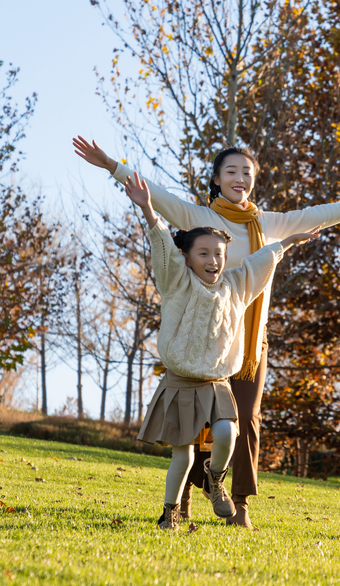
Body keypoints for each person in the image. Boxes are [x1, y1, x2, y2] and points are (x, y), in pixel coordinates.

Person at [73, 136, 340, 528]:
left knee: (245, 421)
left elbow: (316, 214)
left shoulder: (269, 223)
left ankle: (237, 504)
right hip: (199, 340)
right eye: (232, 171)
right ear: (217, 178)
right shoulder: (199, 219)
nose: (240, 178)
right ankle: (182, 501)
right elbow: (153, 196)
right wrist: (110, 164)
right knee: (196, 423)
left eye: (247, 173)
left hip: (247, 342)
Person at [121, 170, 318, 531]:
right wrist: (149, 210)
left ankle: (215, 481)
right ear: (189, 257)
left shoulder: (235, 286)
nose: (213, 261)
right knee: (182, 456)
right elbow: (162, 244)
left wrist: (288, 242)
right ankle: (170, 515)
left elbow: (261, 262)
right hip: (182, 382)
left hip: (217, 382)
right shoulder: (177, 282)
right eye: (204, 254)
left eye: (219, 254)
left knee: (228, 433)